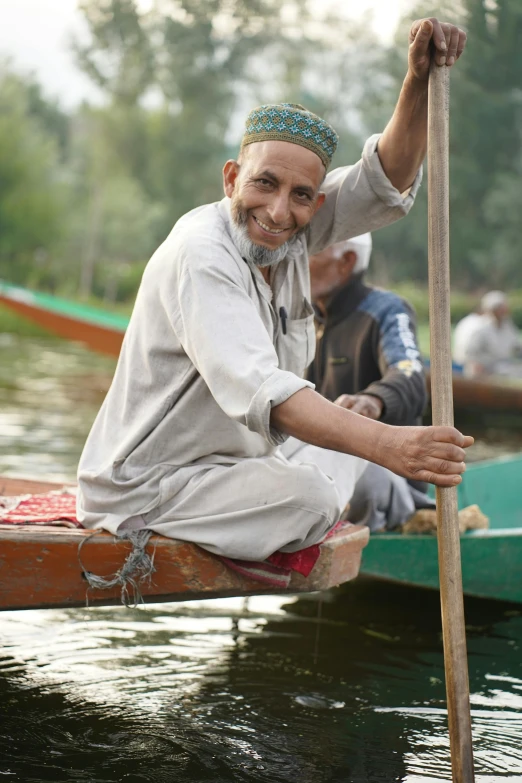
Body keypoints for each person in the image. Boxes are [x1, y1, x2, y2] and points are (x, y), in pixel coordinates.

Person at [77, 18, 471, 562]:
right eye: (264, 184)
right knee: (314, 495)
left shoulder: (291, 233)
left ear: (317, 204)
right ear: (232, 177)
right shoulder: (202, 252)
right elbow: (266, 391)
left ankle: (311, 508)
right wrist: (392, 445)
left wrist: (418, 81)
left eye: (301, 195)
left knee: (355, 449)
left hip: (237, 466)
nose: (279, 211)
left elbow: (386, 177)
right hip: (154, 485)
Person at [308, 233, 434, 531]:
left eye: (310, 252)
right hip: (320, 470)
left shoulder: (387, 310)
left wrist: (373, 400)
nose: (297, 261)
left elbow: (410, 375)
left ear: (346, 262)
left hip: (386, 481)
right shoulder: (301, 317)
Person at [462, 290, 522, 378]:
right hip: (487, 371)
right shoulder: (480, 327)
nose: (503, 311)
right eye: (500, 308)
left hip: (504, 368)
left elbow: (516, 347)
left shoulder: (508, 327)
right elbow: (471, 354)